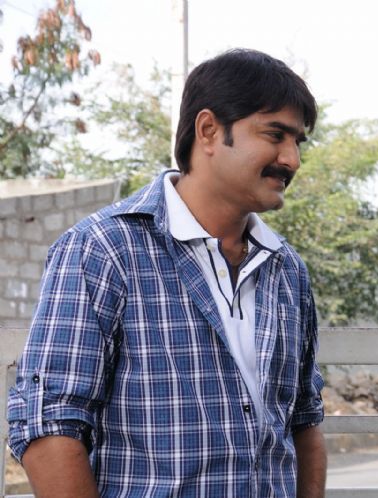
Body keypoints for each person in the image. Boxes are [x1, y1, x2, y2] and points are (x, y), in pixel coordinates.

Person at [8, 48, 326, 498]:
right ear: (208, 130)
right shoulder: (104, 250)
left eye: (298, 142)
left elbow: (304, 421)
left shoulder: (287, 270)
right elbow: (49, 426)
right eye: (275, 135)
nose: (292, 159)